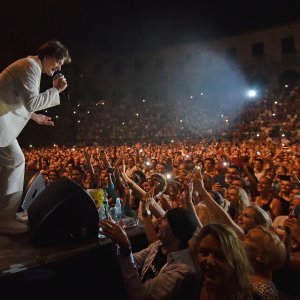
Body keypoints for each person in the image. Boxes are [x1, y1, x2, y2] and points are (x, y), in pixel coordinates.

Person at [0, 40, 71, 234]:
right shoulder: (31, 66)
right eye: (59, 62)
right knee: (15, 161)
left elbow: (17, 98)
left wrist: (34, 117)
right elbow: (31, 102)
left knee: (15, 161)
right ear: (48, 56)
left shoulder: (31, 66)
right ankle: (4, 219)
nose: (59, 67)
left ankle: (5, 216)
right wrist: (55, 90)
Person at [99, 207, 199, 300]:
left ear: (176, 229)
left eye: (165, 219)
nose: (159, 220)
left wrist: (126, 248)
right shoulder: (159, 245)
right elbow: (131, 261)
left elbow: (139, 296)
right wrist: (117, 241)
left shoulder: (181, 271)